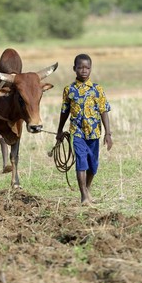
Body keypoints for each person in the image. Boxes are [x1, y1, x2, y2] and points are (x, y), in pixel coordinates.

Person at [56, 53, 113, 205]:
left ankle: (87, 188)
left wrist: (108, 134)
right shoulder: (69, 90)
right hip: (77, 132)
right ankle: (83, 196)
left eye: (87, 68)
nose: (83, 70)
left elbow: (103, 111)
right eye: (80, 67)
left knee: (93, 165)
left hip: (94, 133)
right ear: (74, 69)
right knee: (81, 161)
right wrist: (59, 131)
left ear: (91, 69)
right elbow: (64, 112)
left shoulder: (97, 89)